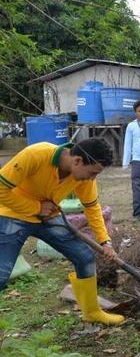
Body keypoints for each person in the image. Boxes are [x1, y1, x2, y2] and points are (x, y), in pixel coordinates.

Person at [0, 139, 124, 325]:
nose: (92, 179)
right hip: (13, 214)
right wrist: (36, 207)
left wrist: (105, 241)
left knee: (84, 256)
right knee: (2, 274)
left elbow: (92, 207)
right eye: (92, 173)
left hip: (47, 217)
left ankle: (91, 312)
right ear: (77, 161)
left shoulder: (83, 176)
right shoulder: (36, 155)